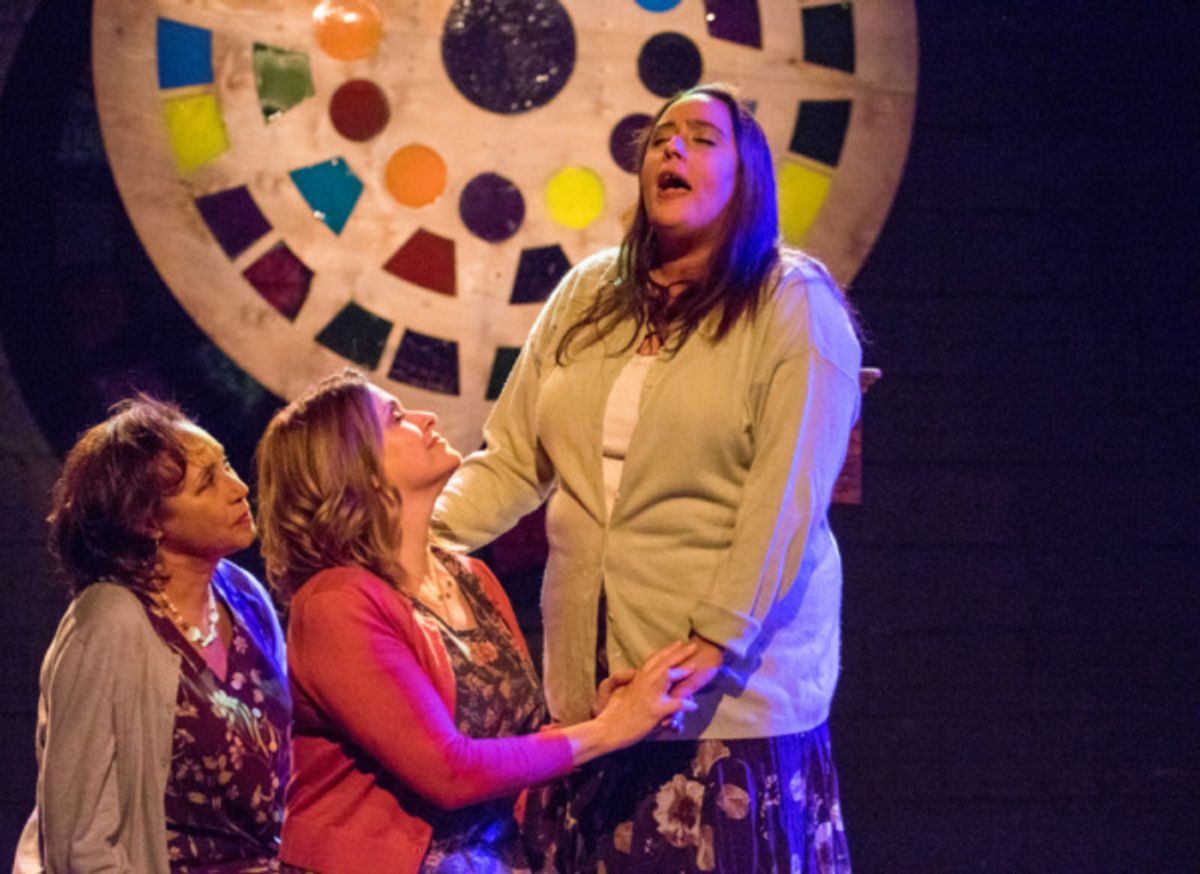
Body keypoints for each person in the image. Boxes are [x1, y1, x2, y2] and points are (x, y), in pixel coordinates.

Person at [433, 82, 862, 872]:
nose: (673, 149)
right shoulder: (590, 295)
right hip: (592, 705)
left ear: (748, 176)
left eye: (702, 138)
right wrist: (404, 541)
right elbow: (511, 461)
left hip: (726, 713)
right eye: (662, 137)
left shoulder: (790, 303)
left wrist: (715, 639)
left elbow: (785, 501)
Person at [253, 369, 697, 874]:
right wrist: (608, 729)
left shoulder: (472, 578)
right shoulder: (336, 603)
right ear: (356, 468)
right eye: (396, 418)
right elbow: (449, 772)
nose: (426, 418)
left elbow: (516, 741)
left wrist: (592, 717)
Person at [13, 398, 290, 874]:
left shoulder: (243, 596)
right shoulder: (110, 621)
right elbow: (80, 836)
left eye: (224, 465)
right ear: (148, 521)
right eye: (208, 483)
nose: (240, 488)